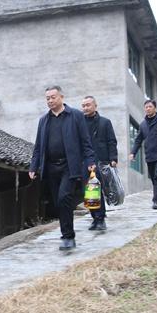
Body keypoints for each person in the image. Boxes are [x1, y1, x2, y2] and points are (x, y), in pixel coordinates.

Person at [30, 86, 96, 251]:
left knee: (64, 197)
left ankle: (68, 237)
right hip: (51, 167)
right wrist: (34, 166)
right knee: (58, 202)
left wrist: (90, 159)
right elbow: (38, 146)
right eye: (47, 98)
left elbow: (85, 140)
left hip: (69, 166)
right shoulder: (44, 120)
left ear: (61, 97)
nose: (50, 101)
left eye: (53, 97)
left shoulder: (76, 116)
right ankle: (67, 233)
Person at [81, 95, 118, 231]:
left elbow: (112, 141)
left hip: (102, 161)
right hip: (85, 161)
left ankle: (100, 218)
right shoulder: (80, 123)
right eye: (83, 106)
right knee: (89, 190)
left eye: (88, 105)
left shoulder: (105, 122)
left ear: (95, 106)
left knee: (97, 189)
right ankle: (95, 217)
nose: (85, 108)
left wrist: (113, 158)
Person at [129, 100, 157, 209]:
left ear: (155, 108)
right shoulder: (143, 125)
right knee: (154, 179)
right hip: (150, 155)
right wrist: (133, 153)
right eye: (146, 107)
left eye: (150, 106)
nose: (148, 109)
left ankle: (155, 200)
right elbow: (138, 140)